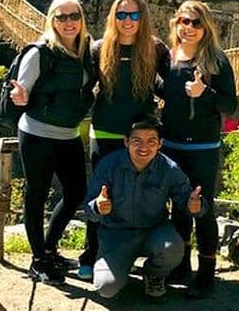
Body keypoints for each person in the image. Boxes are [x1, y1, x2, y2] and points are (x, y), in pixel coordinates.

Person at [78, 0, 170, 280]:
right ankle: (91, 254)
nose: (127, 21)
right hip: (105, 130)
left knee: (140, 192)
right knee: (101, 194)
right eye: (121, 15)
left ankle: (135, 254)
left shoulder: (155, 49)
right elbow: (82, 88)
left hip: (141, 136)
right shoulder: (99, 48)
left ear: (142, 18)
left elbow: (170, 84)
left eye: (133, 15)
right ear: (113, 18)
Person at [9, 0, 96, 285]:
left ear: (82, 19)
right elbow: (21, 90)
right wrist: (20, 96)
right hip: (37, 134)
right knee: (37, 194)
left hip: (69, 134)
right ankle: (39, 261)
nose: (69, 22)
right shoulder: (40, 52)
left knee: (76, 193)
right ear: (52, 20)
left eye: (74, 16)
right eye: (62, 17)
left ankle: (48, 249)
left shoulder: (86, 50)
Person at [158, 0, 238, 298]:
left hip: (203, 147)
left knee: (202, 208)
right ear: (176, 23)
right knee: (179, 207)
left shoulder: (216, 62)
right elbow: (165, 90)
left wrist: (206, 93)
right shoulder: (168, 58)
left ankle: (206, 274)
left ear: (206, 28)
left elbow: (231, 106)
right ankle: (181, 266)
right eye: (184, 21)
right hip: (172, 145)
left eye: (196, 23)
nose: (189, 28)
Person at [84, 118, 205, 299]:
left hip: (155, 231)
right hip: (116, 235)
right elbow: (88, 209)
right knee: (106, 288)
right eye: (137, 141)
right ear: (126, 142)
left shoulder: (169, 168)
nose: (144, 147)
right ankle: (118, 269)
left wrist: (195, 205)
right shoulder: (109, 165)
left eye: (151, 141)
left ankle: (154, 275)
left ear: (160, 144)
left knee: (173, 248)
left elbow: (186, 198)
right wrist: (98, 207)